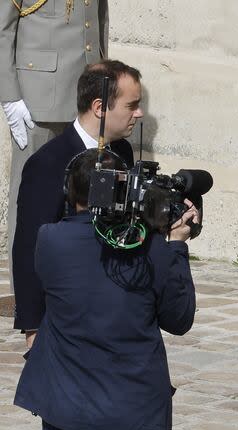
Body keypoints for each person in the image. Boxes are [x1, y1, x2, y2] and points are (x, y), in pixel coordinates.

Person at [13, 148, 198, 430]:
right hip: (130, 417)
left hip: (66, 412)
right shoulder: (154, 251)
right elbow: (179, 319)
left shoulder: (51, 241)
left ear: (71, 193)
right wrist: (174, 245)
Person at [13, 60, 141, 349]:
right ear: (100, 108)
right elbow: (29, 246)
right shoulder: (49, 162)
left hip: (112, 309)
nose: (139, 113)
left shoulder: (121, 152)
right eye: (131, 105)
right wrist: (33, 326)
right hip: (67, 314)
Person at [1, 0, 108, 279]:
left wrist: (104, 80)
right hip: (38, 95)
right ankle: (26, 285)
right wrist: (10, 95)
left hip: (85, 92)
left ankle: (72, 273)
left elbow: (98, 20)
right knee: (31, 196)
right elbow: (2, 27)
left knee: (82, 191)